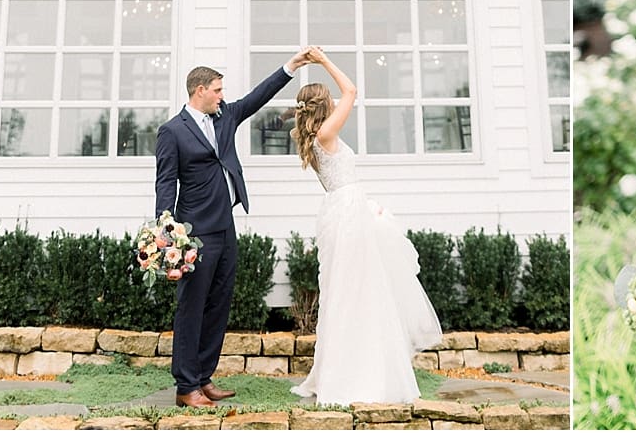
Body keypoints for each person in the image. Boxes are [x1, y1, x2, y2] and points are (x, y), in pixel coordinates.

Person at [155, 49, 314, 407]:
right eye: (217, 90)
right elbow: (165, 183)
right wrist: (166, 233)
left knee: (218, 305)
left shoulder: (225, 116)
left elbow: (257, 98)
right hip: (193, 233)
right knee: (191, 308)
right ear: (199, 91)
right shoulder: (171, 132)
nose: (222, 96)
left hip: (225, 226)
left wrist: (291, 67)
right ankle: (185, 387)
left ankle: (204, 378)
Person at [289, 47, 443, 405]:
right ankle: (360, 375)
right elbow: (353, 91)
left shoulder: (310, 138)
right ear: (323, 105)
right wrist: (325, 61)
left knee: (347, 291)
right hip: (347, 211)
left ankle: (349, 368)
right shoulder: (326, 132)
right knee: (361, 290)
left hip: (340, 210)